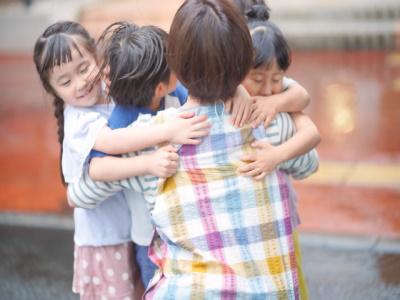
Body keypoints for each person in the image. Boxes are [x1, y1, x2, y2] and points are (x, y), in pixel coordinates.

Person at [67, 0, 319, 298]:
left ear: (175, 66)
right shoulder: (272, 124)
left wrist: (138, 163)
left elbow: (79, 194)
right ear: (243, 66)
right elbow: (308, 164)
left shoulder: (150, 142)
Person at [33, 20, 210, 299]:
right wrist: (160, 144)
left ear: (98, 59)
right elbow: (110, 147)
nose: (80, 83)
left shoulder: (113, 90)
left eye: (83, 68)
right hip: (107, 236)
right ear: (53, 90)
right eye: (65, 81)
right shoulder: (78, 119)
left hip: (133, 226)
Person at [233, 2, 320, 298]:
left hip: (278, 213)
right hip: (242, 219)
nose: (269, 88)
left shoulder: (279, 91)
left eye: (277, 79)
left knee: (287, 275)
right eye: (257, 80)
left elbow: (310, 125)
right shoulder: (229, 85)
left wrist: (276, 155)